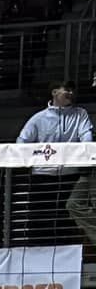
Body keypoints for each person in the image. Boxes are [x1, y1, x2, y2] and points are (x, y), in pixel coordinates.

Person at [15, 83, 96, 245]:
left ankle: (66, 261)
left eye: (73, 90)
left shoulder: (80, 114)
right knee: (40, 219)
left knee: (66, 221)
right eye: (67, 90)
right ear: (54, 92)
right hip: (42, 177)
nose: (71, 93)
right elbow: (21, 141)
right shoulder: (38, 118)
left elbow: (87, 138)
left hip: (70, 176)